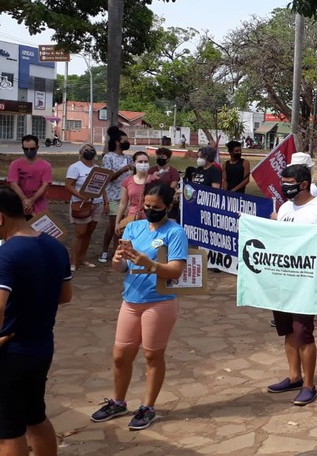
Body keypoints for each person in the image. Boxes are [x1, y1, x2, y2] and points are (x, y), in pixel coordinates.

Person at [90, 182, 189, 431]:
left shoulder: (174, 233)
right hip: (131, 300)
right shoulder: (133, 227)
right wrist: (116, 261)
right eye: (146, 206)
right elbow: (122, 267)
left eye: (156, 207)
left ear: (168, 207)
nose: (150, 210)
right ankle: (118, 401)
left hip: (159, 302)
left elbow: (176, 270)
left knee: (152, 355)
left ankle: (148, 407)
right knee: (121, 354)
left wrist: (150, 265)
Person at [0, 186, 72, 456]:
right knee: (35, 417)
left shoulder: (6, 255)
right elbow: (65, 296)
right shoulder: (55, 247)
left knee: (8, 432)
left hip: (10, 353)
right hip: (42, 346)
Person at [265, 164, 317, 406]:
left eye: (288, 182)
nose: (284, 186)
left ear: (303, 184)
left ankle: (309, 384)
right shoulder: (285, 207)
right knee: (287, 330)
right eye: (283, 181)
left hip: (305, 282)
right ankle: (294, 376)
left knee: (303, 333)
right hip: (282, 277)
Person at [66, 143, 110, 271]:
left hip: (97, 203)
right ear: (81, 152)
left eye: (91, 149)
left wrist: (106, 202)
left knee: (89, 232)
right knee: (80, 233)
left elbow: (102, 187)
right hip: (81, 204)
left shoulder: (97, 168)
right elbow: (68, 185)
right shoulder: (75, 167)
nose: (89, 151)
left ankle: (82, 258)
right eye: (86, 150)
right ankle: (73, 261)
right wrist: (80, 196)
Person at [99, 126, 133, 264]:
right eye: (124, 140)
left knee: (123, 226)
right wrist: (122, 170)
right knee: (113, 226)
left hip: (126, 196)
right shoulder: (108, 157)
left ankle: (116, 252)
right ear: (118, 142)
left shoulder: (128, 157)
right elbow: (108, 177)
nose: (127, 142)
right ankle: (104, 250)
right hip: (113, 196)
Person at [7, 135, 52, 220]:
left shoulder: (46, 166)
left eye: (32, 149)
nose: (29, 151)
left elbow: (45, 185)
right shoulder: (15, 164)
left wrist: (32, 200)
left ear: (37, 148)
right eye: (26, 149)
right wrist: (26, 202)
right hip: (19, 206)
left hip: (39, 206)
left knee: (39, 231)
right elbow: (13, 184)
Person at [116, 152, 152, 235]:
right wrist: (117, 222)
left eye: (145, 162)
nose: (143, 164)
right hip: (133, 218)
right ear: (134, 163)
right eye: (140, 162)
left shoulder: (154, 180)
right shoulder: (127, 181)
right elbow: (123, 203)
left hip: (150, 219)